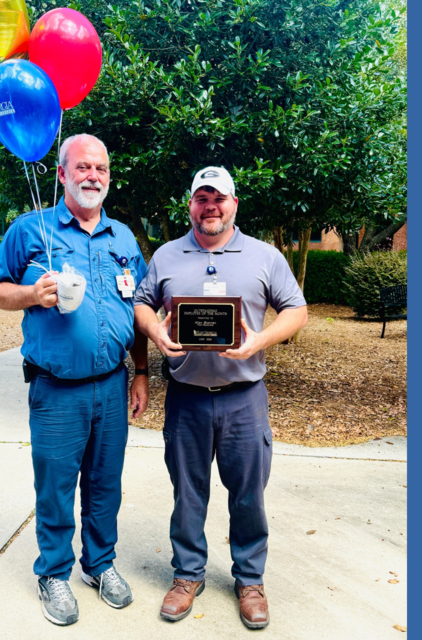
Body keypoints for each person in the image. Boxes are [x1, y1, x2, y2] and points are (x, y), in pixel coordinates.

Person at [0, 134, 149, 626]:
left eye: (100, 168)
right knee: (55, 486)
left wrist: (141, 372)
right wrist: (32, 294)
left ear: (109, 176)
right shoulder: (30, 230)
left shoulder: (123, 238)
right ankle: (53, 573)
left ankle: (99, 564)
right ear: (61, 173)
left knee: (105, 484)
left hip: (113, 387)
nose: (92, 175)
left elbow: (136, 307)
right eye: (82, 167)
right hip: (56, 389)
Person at [133, 166, 308, 629]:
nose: (210, 207)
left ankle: (250, 580)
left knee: (248, 496)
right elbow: (141, 303)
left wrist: (260, 341)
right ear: (190, 204)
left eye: (219, 198)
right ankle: (187, 575)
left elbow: (297, 309)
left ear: (234, 203)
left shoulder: (265, 256)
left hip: (243, 398)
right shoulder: (167, 256)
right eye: (201, 198)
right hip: (187, 399)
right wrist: (155, 331)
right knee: (188, 493)